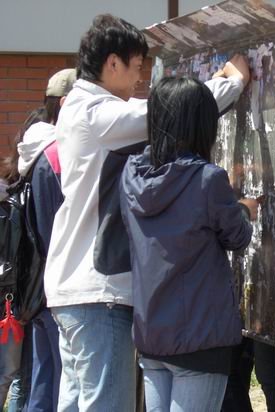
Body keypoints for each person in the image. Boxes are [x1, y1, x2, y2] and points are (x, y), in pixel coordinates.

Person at [44, 14, 250, 411]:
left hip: (74, 286)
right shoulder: (98, 115)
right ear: (113, 63)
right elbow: (163, 114)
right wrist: (234, 81)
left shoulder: (78, 108)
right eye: (138, 66)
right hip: (98, 289)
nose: (141, 79)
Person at [119, 76, 257, 411]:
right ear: (201, 124)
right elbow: (237, 237)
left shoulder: (131, 174)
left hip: (152, 334)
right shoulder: (207, 178)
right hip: (200, 335)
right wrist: (243, 209)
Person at [16, 68, 76, 412]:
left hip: (36, 286)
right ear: (66, 104)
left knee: (43, 379)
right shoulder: (57, 154)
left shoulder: (33, 150)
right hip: (59, 285)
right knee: (61, 383)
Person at [0, 106, 49, 411]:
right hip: (22, 299)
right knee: (17, 375)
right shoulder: (18, 194)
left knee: (16, 375)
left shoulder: (13, 189)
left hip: (18, 297)